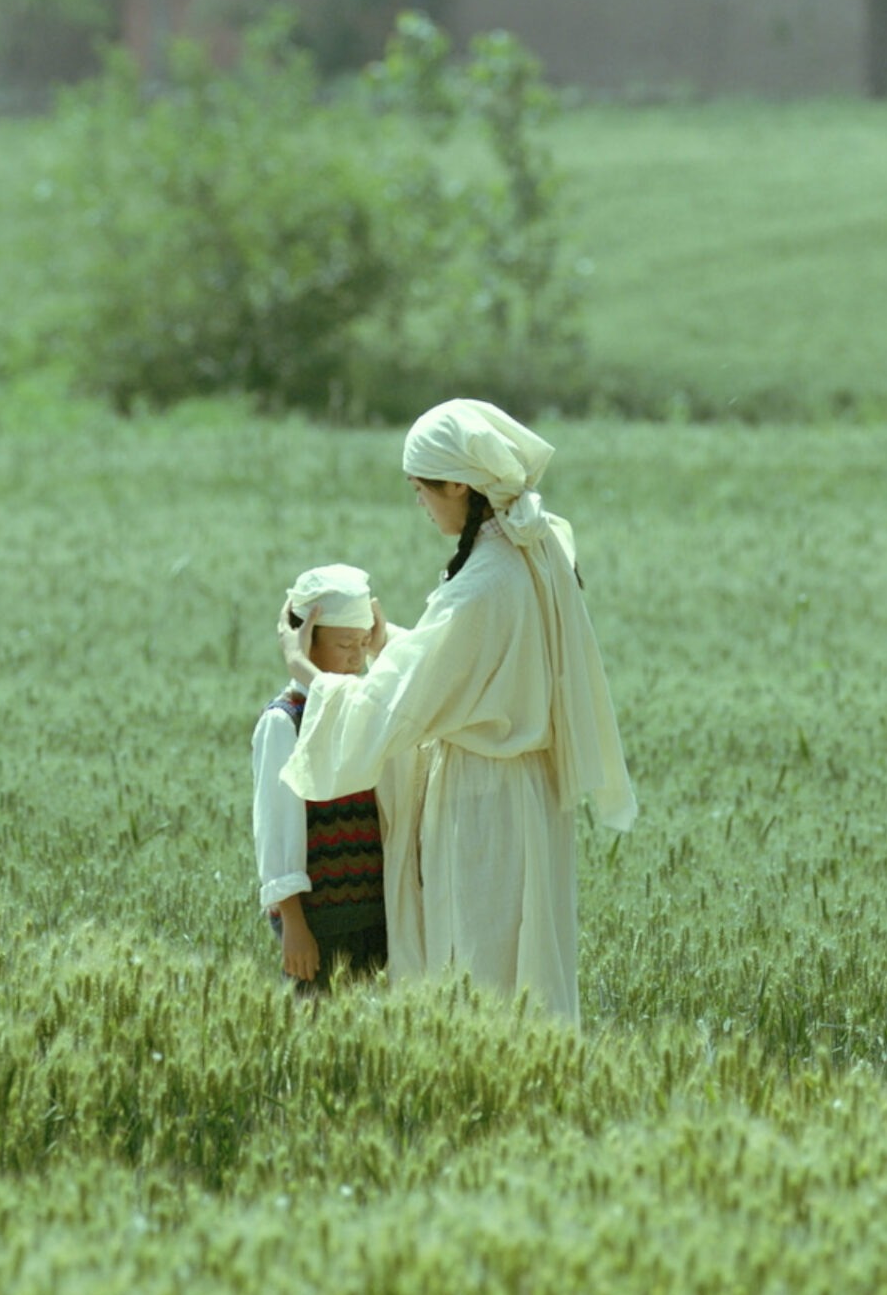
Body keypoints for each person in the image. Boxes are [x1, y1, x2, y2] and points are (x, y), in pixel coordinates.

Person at [277, 399, 634, 1023]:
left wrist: (307, 673)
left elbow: (400, 704)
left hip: (483, 804)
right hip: (528, 796)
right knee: (523, 971)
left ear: (461, 487)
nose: (419, 504)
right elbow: (474, 667)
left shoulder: (483, 582)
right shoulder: (528, 553)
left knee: (479, 967)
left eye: (422, 490)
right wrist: (395, 646)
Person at [250, 564, 401, 993]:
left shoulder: (361, 712)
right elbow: (276, 827)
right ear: (307, 643)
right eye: (344, 644)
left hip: (375, 912)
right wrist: (293, 922)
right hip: (319, 918)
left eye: (362, 643)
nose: (357, 657)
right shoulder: (285, 723)